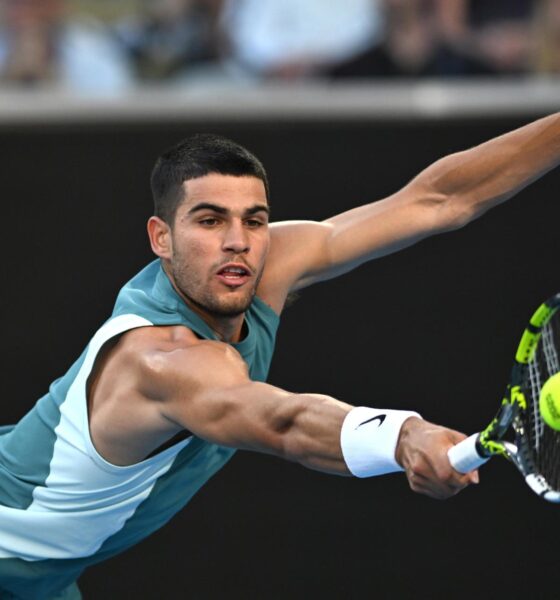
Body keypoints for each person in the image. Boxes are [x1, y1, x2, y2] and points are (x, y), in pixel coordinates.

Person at [1, 113, 560, 600]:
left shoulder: (261, 267)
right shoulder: (160, 361)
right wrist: (404, 435)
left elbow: (436, 200)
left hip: (40, 577)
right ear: (161, 237)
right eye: (210, 220)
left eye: (255, 219)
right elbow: (284, 421)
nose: (238, 241)